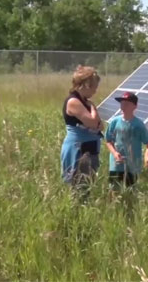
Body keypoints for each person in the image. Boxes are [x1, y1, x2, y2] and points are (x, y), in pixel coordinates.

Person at [60, 65, 103, 198]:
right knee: (79, 188)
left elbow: (101, 126)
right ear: (85, 85)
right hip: (80, 150)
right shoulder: (74, 101)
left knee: (87, 187)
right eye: (94, 87)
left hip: (90, 149)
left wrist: (92, 109)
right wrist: (93, 108)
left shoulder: (85, 102)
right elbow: (93, 122)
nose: (95, 91)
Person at [105, 92, 148, 191]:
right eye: (122, 103)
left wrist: (147, 155)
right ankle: (115, 206)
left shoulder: (138, 125)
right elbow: (108, 140)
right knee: (114, 190)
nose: (123, 105)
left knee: (131, 189)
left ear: (134, 106)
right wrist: (114, 153)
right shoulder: (115, 122)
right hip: (116, 164)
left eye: (127, 103)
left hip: (133, 165)